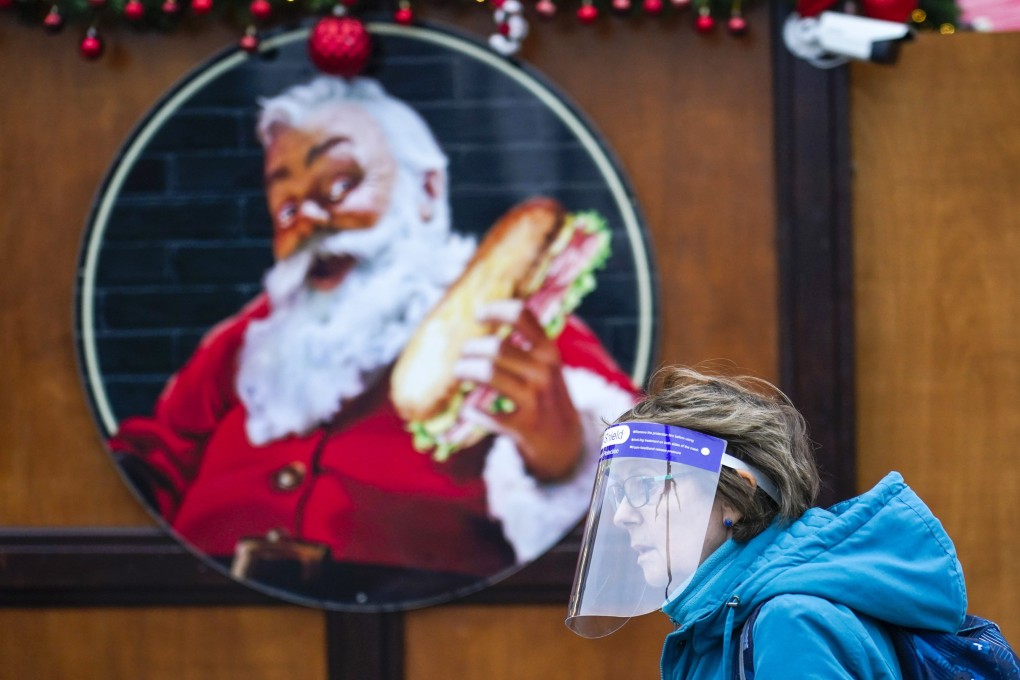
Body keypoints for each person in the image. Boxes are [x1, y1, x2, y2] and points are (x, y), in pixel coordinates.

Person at [109, 76, 637, 606]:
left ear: (428, 190)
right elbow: (155, 457)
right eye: (288, 209)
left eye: (340, 186)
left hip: (419, 620)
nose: (310, 221)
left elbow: (646, 464)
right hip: (199, 615)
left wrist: (565, 453)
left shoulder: (508, 318)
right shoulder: (251, 337)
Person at [566, 365, 967, 679]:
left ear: (735, 498)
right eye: (619, 491)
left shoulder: (792, 622)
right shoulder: (717, 619)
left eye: (643, 485)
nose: (622, 514)